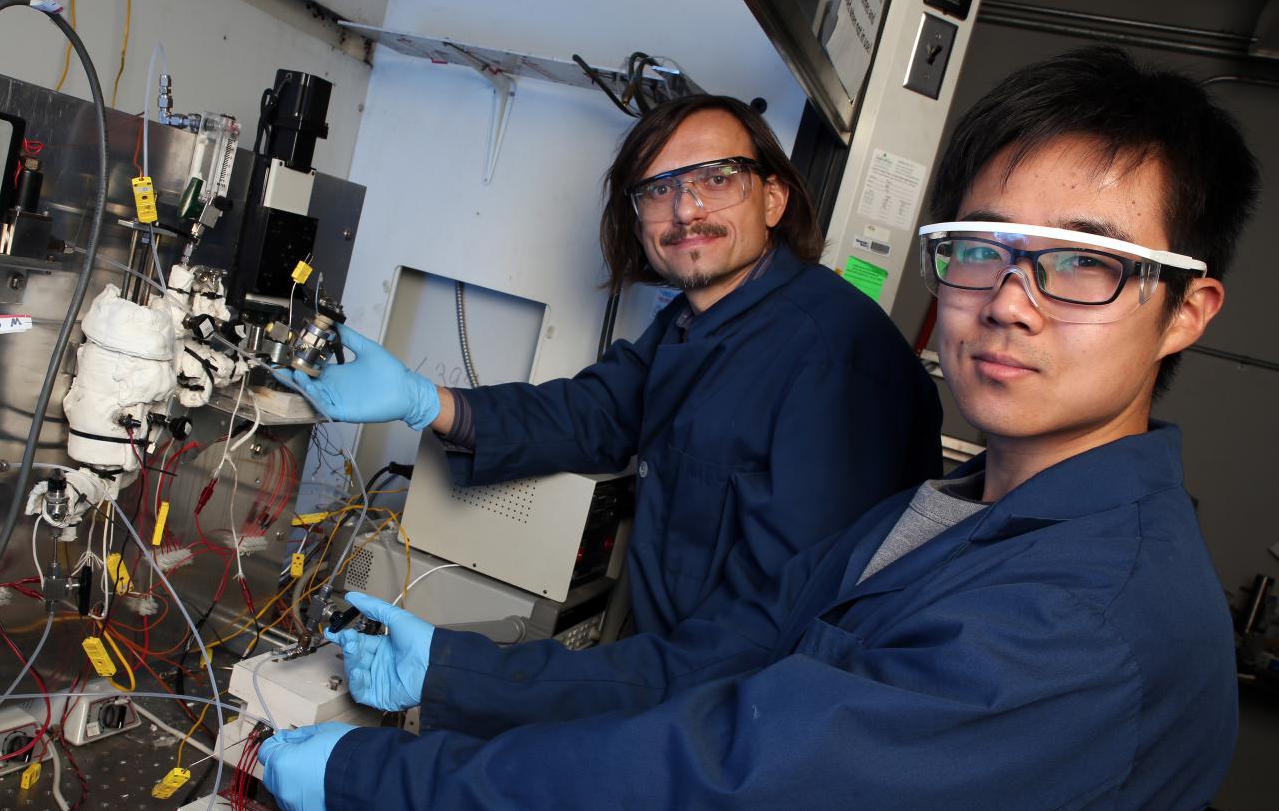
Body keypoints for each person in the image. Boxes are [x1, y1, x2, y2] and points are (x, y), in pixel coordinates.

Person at [261, 46, 1258, 811]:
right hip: (691, 715)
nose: (1008, 301)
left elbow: (729, 793)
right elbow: (625, 468)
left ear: (1187, 310)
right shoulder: (941, 511)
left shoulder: (1074, 616)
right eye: (980, 249)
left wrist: (379, 788)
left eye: (1082, 262)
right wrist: (425, 411)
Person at [281, 94, 942, 635]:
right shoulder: (693, 320)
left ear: (773, 198)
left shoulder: (837, 356)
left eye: (717, 178)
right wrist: (424, 400)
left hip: (732, 701)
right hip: (671, 667)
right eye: (659, 190)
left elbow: (779, 625)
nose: (686, 209)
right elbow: (593, 412)